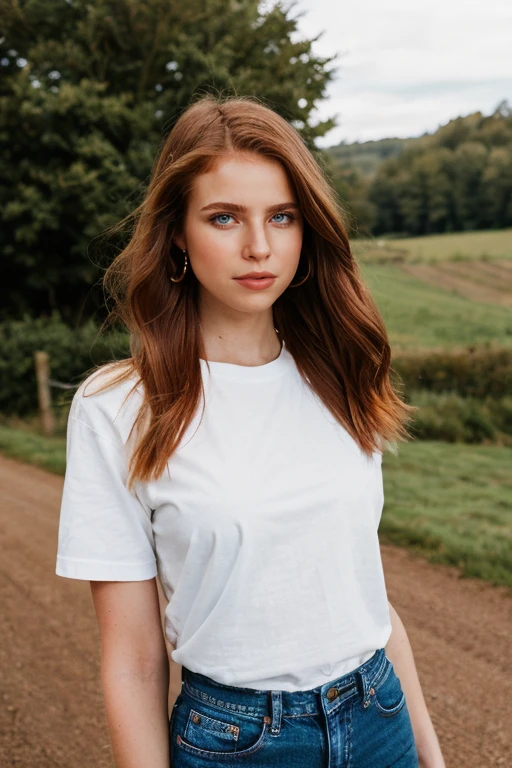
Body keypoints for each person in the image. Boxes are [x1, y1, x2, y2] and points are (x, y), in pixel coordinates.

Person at [55, 94, 445, 767]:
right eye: (225, 217)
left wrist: (431, 758)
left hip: (381, 717)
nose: (259, 246)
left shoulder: (339, 375)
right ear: (177, 232)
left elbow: (369, 604)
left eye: (282, 216)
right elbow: (135, 663)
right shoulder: (117, 408)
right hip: (239, 742)